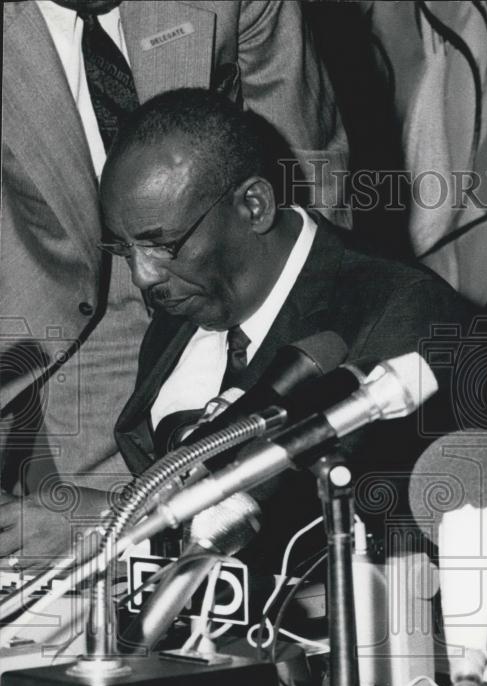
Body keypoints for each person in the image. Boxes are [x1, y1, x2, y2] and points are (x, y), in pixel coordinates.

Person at [3, 89, 487, 573]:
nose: (142, 276)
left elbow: (312, 528)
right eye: (125, 250)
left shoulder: (404, 311)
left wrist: (107, 526)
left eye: (162, 244)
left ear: (254, 205)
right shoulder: (186, 306)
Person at [0, 0, 349, 503]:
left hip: (229, 266)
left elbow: (310, 174)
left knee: (284, 508)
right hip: (72, 300)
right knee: (115, 562)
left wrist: (326, 323)